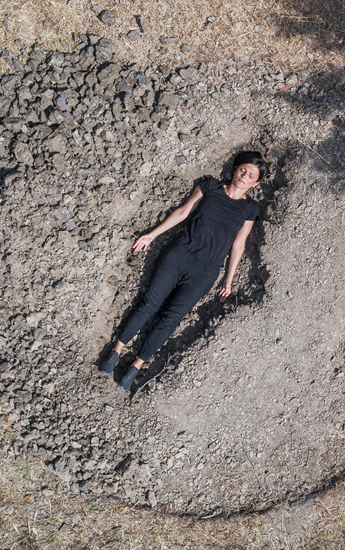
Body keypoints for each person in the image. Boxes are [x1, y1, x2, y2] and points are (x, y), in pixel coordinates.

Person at [98, 150, 269, 391]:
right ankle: (116, 351)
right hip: (179, 255)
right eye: (243, 169)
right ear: (234, 169)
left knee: (170, 319)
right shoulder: (210, 186)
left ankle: (135, 366)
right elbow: (183, 212)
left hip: (206, 271)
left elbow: (238, 244)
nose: (244, 175)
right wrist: (152, 235)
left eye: (251, 175)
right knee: (149, 303)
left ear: (256, 183)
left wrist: (228, 280)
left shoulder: (250, 209)